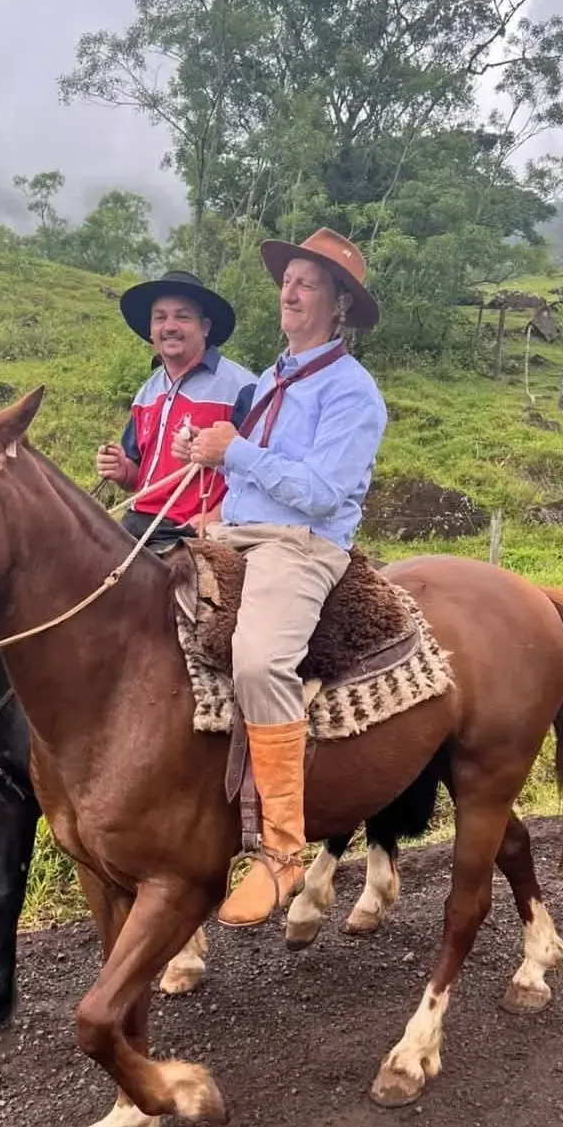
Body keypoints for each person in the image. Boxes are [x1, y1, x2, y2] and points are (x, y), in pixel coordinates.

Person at [186, 228, 388, 928]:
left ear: (338, 306)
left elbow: (323, 492)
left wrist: (234, 451)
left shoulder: (353, 392)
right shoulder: (275, 376)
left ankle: (281, 850)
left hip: (300, 545)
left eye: (308, 282)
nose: (290, 290)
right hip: (240, 531)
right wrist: (218, 489)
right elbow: (252, 473)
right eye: (288, 278)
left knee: (261, 660)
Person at [96, 270, 256, 550]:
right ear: (151, 330)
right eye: (160, 317)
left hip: (191, 529)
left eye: (182, 316)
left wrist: (217, 516)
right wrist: (122, 470)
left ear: (205, 326)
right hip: (136, 522)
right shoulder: (147, 392)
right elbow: (136, 477)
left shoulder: (244, 388)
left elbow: (259, 472)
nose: (169, 326)